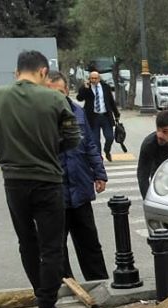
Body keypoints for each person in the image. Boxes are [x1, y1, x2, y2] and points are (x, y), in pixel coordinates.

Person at [0, 50, 81, 308]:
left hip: (13, 181)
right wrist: (49, 148)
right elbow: (73, 138)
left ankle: (41, 296)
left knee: (27, 242)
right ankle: (47, 307)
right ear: (42, 73)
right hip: (48, 181)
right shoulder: (55, 98)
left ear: (17, 72)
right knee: (51, 247)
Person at [46, 71, 110, 281]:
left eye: (60, 92)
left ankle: (99, 281)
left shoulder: (78, 112)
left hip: (80, 188)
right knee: (57, 246)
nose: (56, 97)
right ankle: (66, 285)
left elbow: (91, 144)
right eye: (50, 93)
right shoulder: (40, 119)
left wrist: (99, 174)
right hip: (54, 193)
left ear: (66, 91)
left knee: (89, 242)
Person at [76, 70, 121, 161]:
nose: (93, 80)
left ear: (99, 79)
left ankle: (107, 151)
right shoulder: (87, 88)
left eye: (95, 78)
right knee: (95, 140)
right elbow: (79, 98)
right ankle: (99, 157)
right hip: (93, 118)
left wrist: (116, 114)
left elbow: (111, 101)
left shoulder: (105, 87)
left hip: (105, 116)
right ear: (89, 79)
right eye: (92, 78)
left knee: (109, 137)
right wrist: (84, 88)